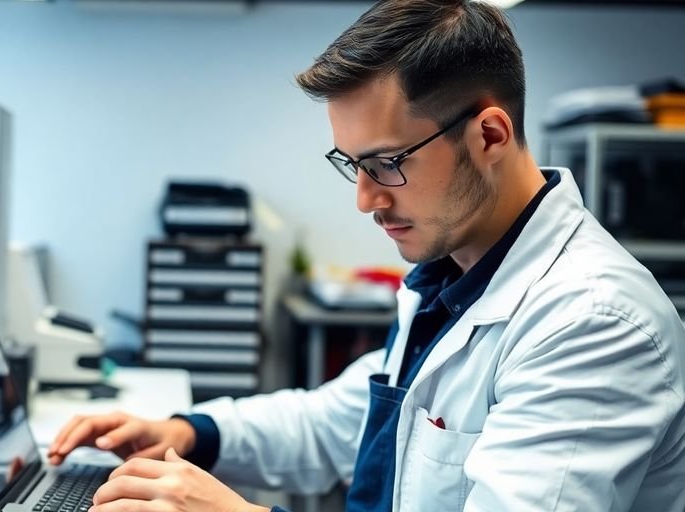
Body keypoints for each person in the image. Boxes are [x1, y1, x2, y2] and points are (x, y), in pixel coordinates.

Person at [49, 1, 685, 510]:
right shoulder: (453, 274)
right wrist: (191, 434)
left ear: (490, 134)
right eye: (353, 165)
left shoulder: (592, 322)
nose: (365, 199)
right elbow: (347, 420)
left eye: (386, 164)